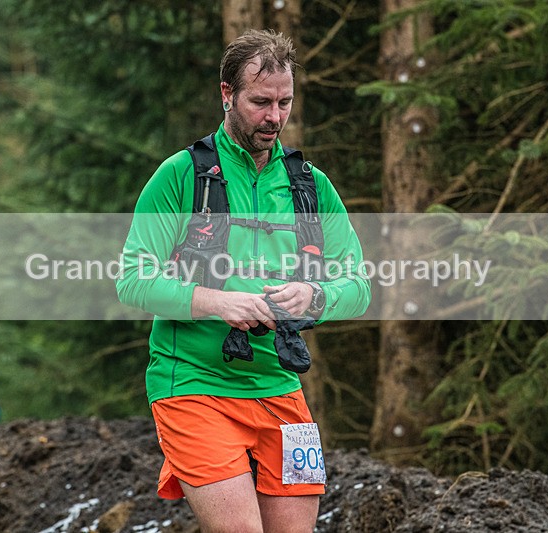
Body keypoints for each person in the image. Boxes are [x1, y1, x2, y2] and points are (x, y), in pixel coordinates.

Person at [117, 29, 370, 532]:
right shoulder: (181, 176)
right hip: (193, 385)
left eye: (285, 102)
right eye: (260, 102)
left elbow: (359, 286)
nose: (274, 117)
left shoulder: (310, 186)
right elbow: (132, 279)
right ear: (227, 94)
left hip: (280, 387)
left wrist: (316, 294)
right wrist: (217, 301)